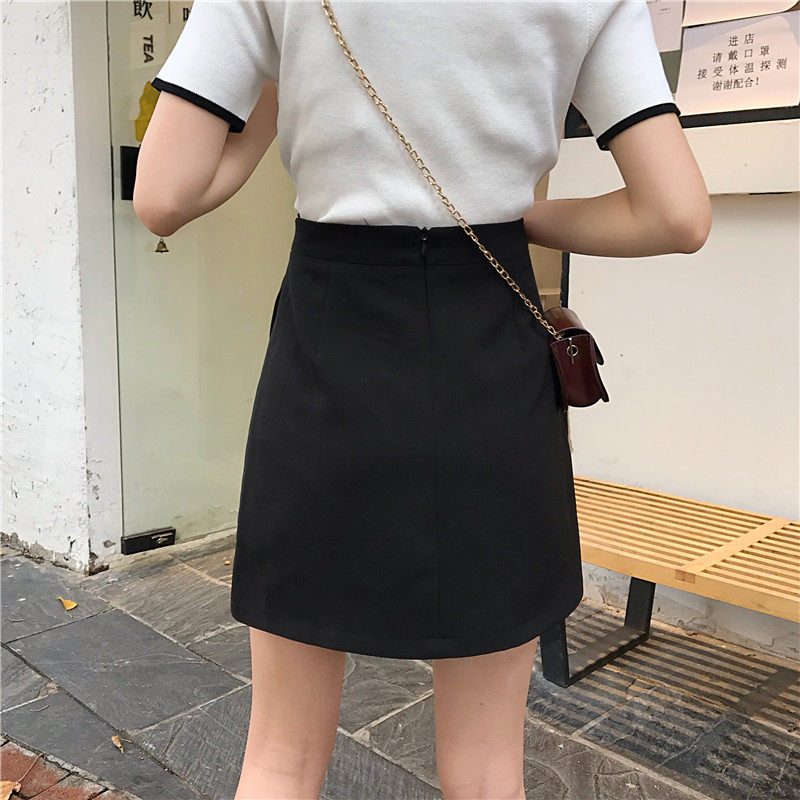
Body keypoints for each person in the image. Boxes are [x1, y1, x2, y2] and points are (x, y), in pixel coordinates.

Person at [134, 1, 711, 797]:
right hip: (492, 358)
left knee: (280, 758)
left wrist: (279, 79)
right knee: (487, 768)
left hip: (327, 351)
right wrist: (517, 219)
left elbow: (163, 195)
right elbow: (676, 215)